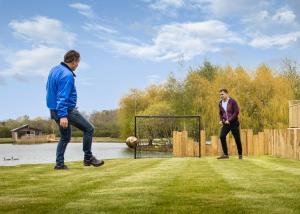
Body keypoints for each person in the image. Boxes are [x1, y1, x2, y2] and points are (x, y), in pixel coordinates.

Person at [46, 50, 104, 170]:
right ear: (73, 61)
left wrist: (57, 111)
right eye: (77, 62)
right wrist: (63, 115)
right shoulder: (67, 75)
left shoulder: (54, 69)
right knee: (89, 129)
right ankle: (88, 157)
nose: (78, 65)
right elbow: (62, 96)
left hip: (54, 110)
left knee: (65, 137)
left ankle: (59, 164)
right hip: (66, 110)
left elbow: (48, 88)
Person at [217, 88, 243, 159]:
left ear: (226, 94)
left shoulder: (232, 101)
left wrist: (230, 120)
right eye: (220, 95)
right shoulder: (220, 103)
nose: (221, 96)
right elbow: (220, 113)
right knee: (222, 136)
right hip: (226, 123)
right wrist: (221, 120)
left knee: (237, 138)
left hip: (234, 123)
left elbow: (236, 112)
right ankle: (226, 155)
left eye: (222, 94)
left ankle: (240, 154)